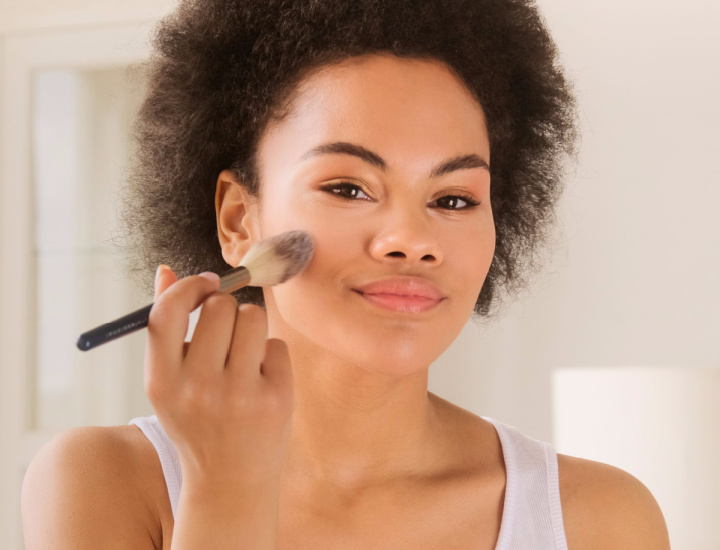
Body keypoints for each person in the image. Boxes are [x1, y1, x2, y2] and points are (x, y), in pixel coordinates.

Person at [21, 0, 671, 548]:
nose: (411, 241)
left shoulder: (599, 520)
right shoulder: (102, 482)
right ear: (238, 219)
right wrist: (225, 487)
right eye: (347, 187)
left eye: (453, 199)